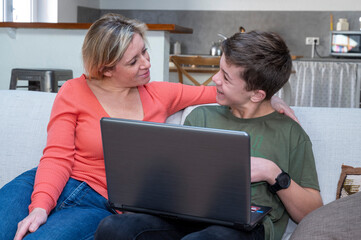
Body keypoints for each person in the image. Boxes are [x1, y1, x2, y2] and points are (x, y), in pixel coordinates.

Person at [0, 14, 294, 240]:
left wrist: (268, 95)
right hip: (45, 182)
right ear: (106, 69)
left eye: (145, 51)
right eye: (133, 60)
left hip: (100, 202)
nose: (146, 63)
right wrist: (41, 205)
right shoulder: (74, 91)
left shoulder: (159, 93)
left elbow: (222, 93)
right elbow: (57, 156)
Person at [94, 31, 323, 240]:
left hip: (245, 228)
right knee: (113, 228)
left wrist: (273, 173)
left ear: (256, 94)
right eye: (219, 69)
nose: (215, 79)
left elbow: (312, 211)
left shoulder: (291, 133)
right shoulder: (201, 117)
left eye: (225, 76)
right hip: (187, 215)